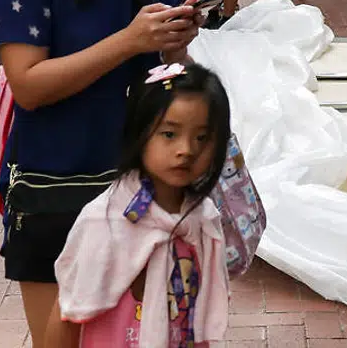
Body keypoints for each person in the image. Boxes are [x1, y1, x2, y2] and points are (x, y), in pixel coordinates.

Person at [0, 0, 204, 347]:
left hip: (137, 198)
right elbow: (30, 86)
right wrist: (129, 41)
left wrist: (176, 48)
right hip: (54, 193)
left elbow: (165, 82)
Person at [47, 62, 231, 347]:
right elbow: (67, 312)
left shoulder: (202, 220)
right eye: (169, 134)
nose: (187, 150)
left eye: (202, 138)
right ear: (140, 133)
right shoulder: (105, 222)